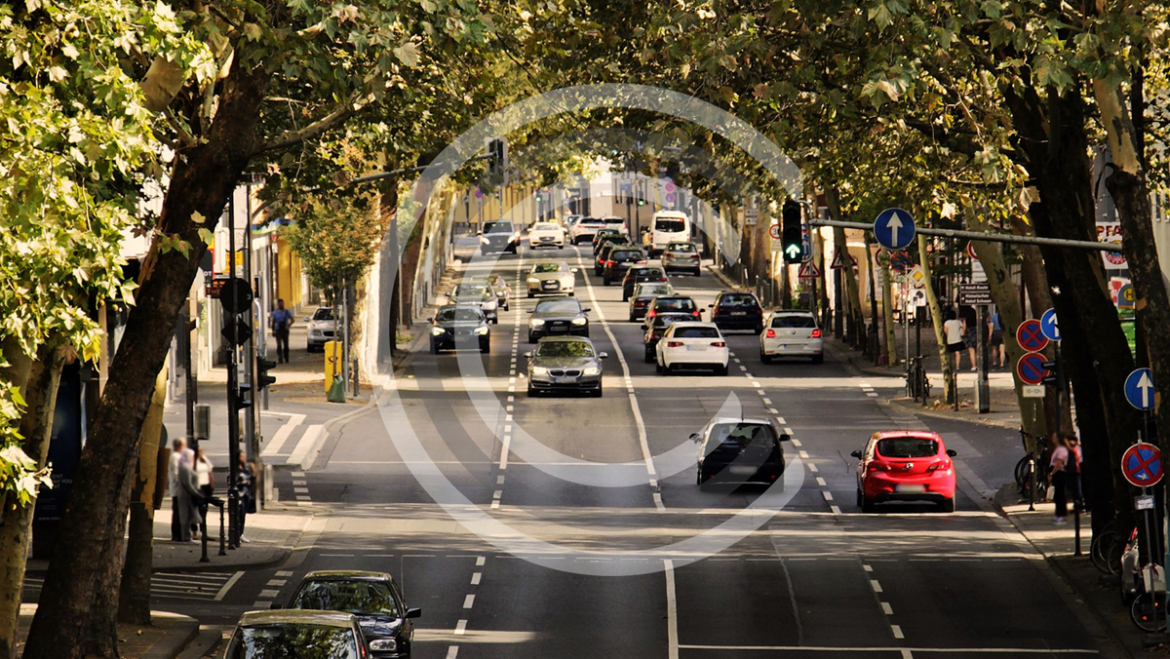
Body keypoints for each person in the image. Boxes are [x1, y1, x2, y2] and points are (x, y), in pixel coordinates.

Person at [176, 449, 203, 542]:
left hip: (189, 494)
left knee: (190, 515)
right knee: (185, 515)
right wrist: (196, 493)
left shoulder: (187, 466)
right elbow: (187, 483)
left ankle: (188, 535)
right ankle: (186, 536)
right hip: (186, 494)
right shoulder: (185, 468)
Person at [1049, 435, 1071, 524]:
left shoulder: (1062, 450)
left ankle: (1061, 515)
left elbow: (1058, 464)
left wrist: (1052, 473)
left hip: (1059, 473)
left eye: (1054, 437)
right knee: (1058, 494)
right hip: (1058, 474)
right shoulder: (1059, 449)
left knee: (1059, 494)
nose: (1052, 438)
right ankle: (1059, 514)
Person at [168, 438, 187, 541]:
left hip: (179, 489)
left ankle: (179, 534)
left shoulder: (178, 456)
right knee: (179, 513)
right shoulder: (175, 457)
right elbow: (177, 473)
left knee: (179, 512)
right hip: (178, 490)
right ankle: (178, 534)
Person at [194, 448, 214, 540]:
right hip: (196, 488)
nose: (200, 453)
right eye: (199, 451)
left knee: (204, 510)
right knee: (195, 510)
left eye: (201, 451)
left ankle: (204, 532)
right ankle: (194, 532)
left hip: (205, 488)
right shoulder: (192, 462)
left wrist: (211, 486)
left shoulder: (204, 460)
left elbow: (210, 472)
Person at [236, 452, 255, 543]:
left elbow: (251, 479)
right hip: (238, 495)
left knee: (243, 515)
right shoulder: (234, 469)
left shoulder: (245, 468)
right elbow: (232, 482)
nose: (244, 458)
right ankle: (235, 534)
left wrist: (253, 470)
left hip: (246, 495)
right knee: (237, 514)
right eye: (242, 456)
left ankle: (241, 533)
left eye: (244, 456)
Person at [270, 299, 294, 364]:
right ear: (277, 304)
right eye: (280, 304)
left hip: (285, 330)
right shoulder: (275, 313)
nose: (281, 305)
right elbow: (273, 322)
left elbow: (292, 320)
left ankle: (286, 358)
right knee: (279, 345)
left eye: (282, 303)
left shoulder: (286, 312)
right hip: (278, 330)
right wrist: (273, 330)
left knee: (286, 345)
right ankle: (280, 358)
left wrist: (288, 325)